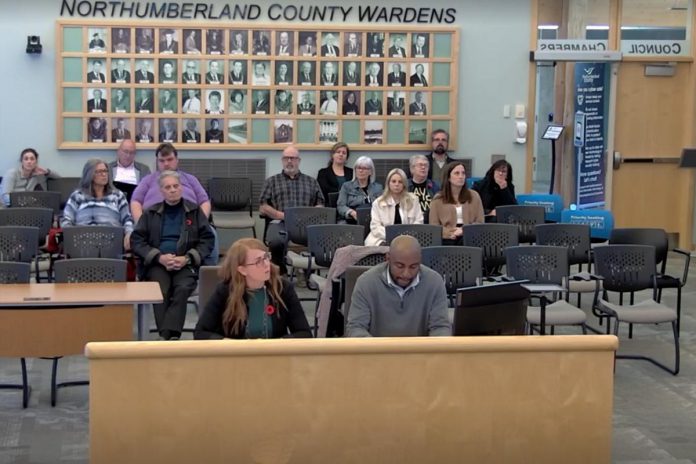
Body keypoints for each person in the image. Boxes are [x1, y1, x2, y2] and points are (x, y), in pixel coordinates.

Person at [131, 170, 214, 340]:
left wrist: (187, 258)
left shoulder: (195, 212)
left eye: (176, 186)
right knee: (160, 290)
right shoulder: (150, 213)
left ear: (181, 188)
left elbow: (207, 240)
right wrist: (158, 257)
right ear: (161, 191)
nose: (173, 190)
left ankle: (167, 335)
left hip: (185, 263)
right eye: (168, 187)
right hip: (158, 264)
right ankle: (169, 335)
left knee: (182, 289)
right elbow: (137, 241)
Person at [194, 238, 312, 339]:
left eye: (266, 257)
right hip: (236, 359)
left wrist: (276, 346)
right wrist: (231, 345)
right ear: (242, 270)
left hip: (275, 358)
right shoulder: (225, 291)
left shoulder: (283, 288)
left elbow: (304, 333)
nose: (267, 264)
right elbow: (201, 333)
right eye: (258, 261)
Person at [130, 143, 218, 264]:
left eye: (170, 159)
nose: (166, 164)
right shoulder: (148, 180)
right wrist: (142, 223)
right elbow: (135, 201)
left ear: (177, 160)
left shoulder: (190, 179)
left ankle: (207, 272)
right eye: (162, 160)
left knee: (210, 233)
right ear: (157, 162)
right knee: (137, 235)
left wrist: (199, 221)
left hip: (188, 219)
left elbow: (204, 202)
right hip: (155, 220)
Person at [346, 235, 450, 337]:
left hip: (420, 352)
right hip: (377, 352)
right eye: (400, 266)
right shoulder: (366, 282)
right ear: (388, 259)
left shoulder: (434, 282)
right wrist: (377, 351)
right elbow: (356, 328)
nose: (406, 274)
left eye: (413, 267)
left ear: (420, 260)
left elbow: (440, 327)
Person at [259, 146, 324, 274]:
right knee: (276, 242)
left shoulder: (311, 182)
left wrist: (309, 216)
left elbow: (321, 204)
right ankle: (280, 272)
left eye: (293, 158)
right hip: (280, 222)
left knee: (319, 240)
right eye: (286, 158)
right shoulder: (271, 181)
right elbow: (263, 206)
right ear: (282, 160)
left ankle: (306, 273)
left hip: (306, 224)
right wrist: (280, 215)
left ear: (298, 160)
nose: (289, 161)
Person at [61, 159, 134, 249]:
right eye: (99, 172)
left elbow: (127, 219)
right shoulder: (77, 196)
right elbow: (66, 220)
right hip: (82, 244)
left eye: (105, 171)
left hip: (111, 243)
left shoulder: (117, 195)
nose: (104, 174)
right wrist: (71, 237)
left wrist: (129, 233)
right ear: (89, 175)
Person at [429, 162, 485, 245]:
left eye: (463, 173)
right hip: (447, 237)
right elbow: (434, 225)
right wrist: (449, 233)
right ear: (448, 177)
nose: (461, 176)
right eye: (457, 173)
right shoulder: (438, 198)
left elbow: (480, 221)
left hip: (469, 235)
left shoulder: (474, 195)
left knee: (467, 242)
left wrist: (464, 230)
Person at [365, 168, 423, 246]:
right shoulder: (378, 203)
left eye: (400, 182)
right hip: (383, 238)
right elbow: (375, 227)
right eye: (393, 181)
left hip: (408, 238)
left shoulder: (413, 200)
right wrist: (392, 236)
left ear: (404, 184)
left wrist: (405, 236)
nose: (397, 184)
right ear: (388, 183)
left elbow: (419, 222)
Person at [337, 156, 383, 223]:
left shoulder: (378, 188)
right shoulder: (346, 186)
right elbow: (341, 206)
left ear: (370, 172)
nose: (361, 171)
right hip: (351, 220)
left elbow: (382, 207)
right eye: (358, 168)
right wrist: (351, 212)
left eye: (364, 168)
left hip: (372, 220)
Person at [407, 154, 440, 222]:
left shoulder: (435, 186)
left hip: (430, 221)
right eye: (420, 165)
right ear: (412, 169)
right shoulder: (405, 186)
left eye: (426, 165)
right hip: (410, 222)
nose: (423, 167)